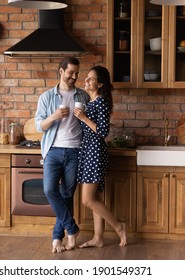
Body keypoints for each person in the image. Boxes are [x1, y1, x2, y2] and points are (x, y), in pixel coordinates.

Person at [35, 57, 89, 253]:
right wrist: (55, 116)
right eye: (71, 73)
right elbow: (39, 125)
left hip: (75, 151)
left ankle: (58, 238)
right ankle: (72, 228)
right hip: (53, 151)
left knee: (67, 195)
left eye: (77, 73)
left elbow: (88, 124)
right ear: (61, 72)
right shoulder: (47, 97)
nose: (74, 76)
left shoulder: (83, 96)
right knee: (50, 190)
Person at [74, 66, 127, 248]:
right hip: (88, 151)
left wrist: (83, 118)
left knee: (87, 199)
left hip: (95, 151)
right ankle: (98, 238)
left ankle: (119, 227)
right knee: (94, 198)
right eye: (87, 78)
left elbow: (103, 131)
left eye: (91, 79)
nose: (87, 81)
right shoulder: (90, 102)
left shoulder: (101, 101)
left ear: (100, 83)